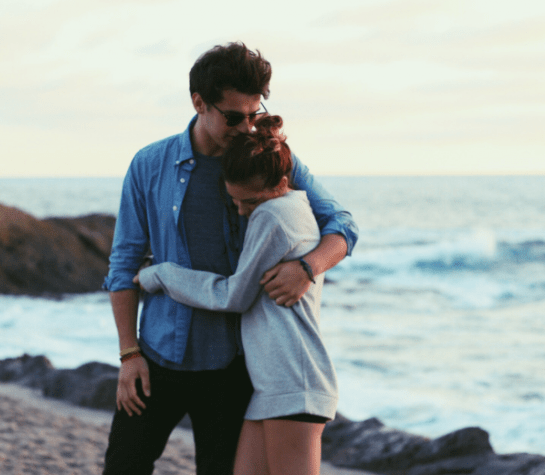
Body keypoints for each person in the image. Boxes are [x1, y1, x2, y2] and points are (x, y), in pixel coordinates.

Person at [102, 42, 358, 475]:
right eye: (234, 117)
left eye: (254, 114)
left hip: (233, 366)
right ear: (199, 103)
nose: (246, 127)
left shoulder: (271, 160)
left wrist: (306, 268)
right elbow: (123, 265)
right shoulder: (150, 165)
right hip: (159, 353)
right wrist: (129, 356)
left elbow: (343, 226)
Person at [135, 114, 337, 475]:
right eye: (236, 202)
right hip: (269, 382)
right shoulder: (282, 206)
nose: (244, 212)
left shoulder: (274, 215)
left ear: (282, 183)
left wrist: (162, 274)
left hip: (293, 379)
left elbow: (233, 296)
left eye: (251, 202)